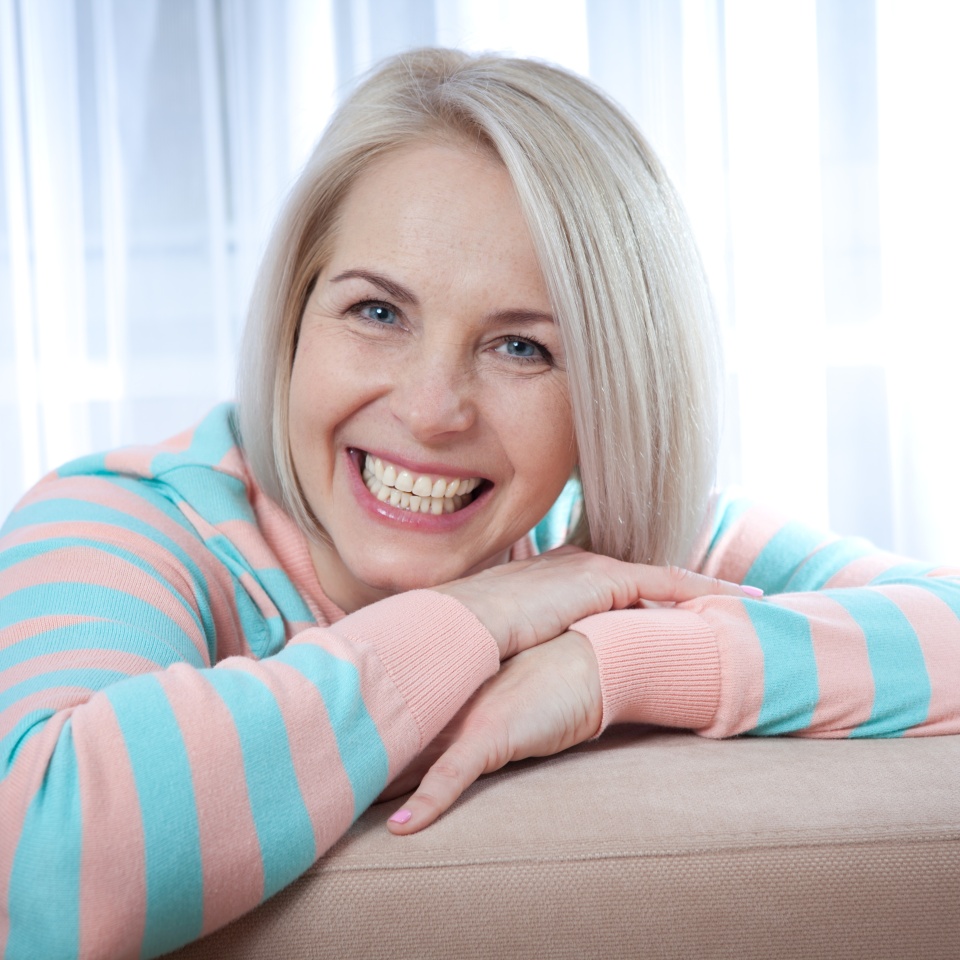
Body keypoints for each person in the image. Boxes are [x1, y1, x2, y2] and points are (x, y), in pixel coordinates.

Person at [2, 47, 958, 960]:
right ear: (294, 326)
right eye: (377, 312)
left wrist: (611, 667)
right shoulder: (123, 520)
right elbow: (38, 861)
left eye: (522, 348)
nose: (431, 409)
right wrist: (464, 623)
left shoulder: (606, 550)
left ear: (609, 401)